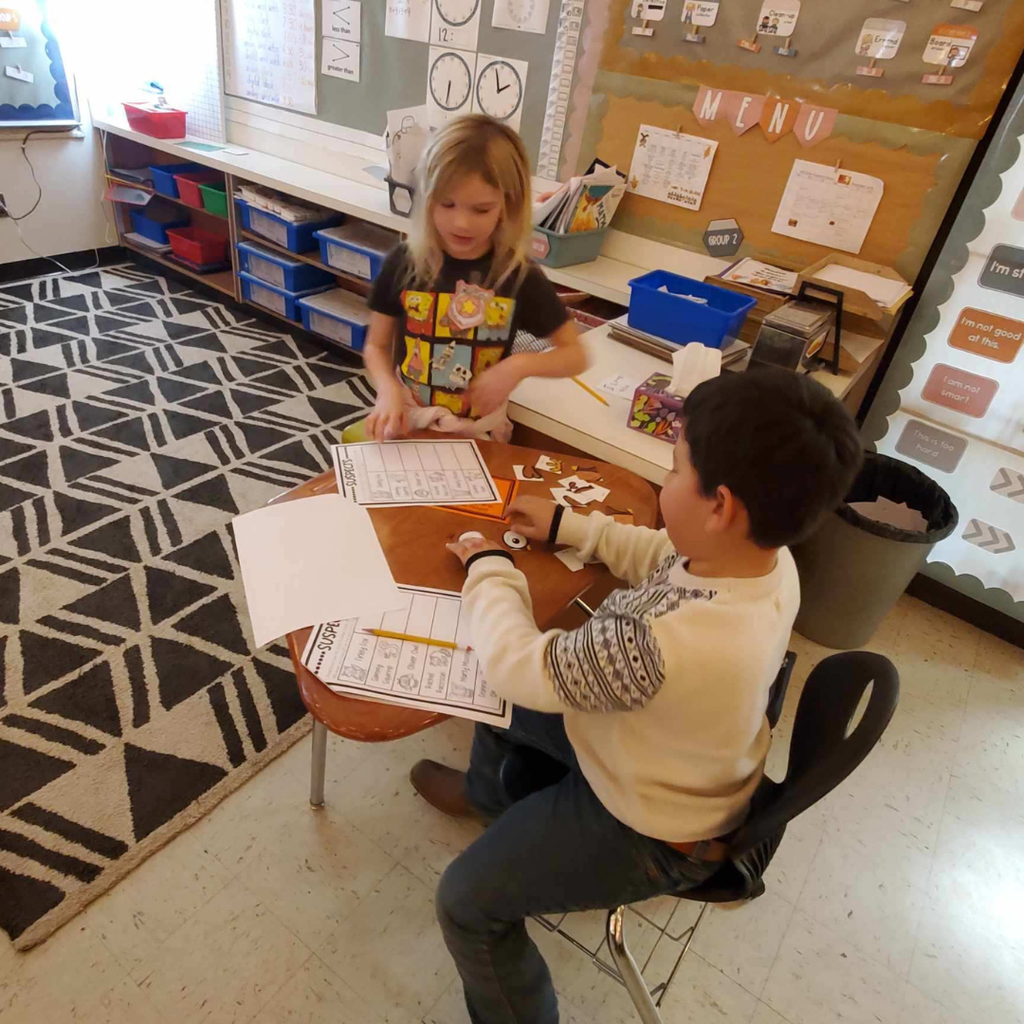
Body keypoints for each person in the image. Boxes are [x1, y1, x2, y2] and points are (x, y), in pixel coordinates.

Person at [412, 368, 863, 1024]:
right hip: (667, 758)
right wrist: (570, 524)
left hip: (645, 823)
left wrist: (490, 567)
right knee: (506, 704)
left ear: (721, 506)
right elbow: (668, 559)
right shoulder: (767, 559)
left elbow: (518, 666)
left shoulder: (657, 644)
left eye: (675, 469)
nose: (662, 482)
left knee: (464, 902)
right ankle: (489, 801)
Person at [356, 115, 585, 443]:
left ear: (508, 206)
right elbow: (376, 346)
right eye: (446, 204)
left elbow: (576, 354)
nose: (461, 223)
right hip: (409, 420)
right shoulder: (404, 262)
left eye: (481, 210)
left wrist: (519, 366)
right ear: (427, 197)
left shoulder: (518, 275)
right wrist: (388, 389)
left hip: (480, 433)